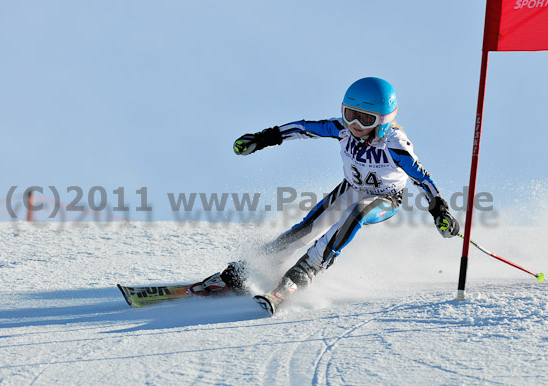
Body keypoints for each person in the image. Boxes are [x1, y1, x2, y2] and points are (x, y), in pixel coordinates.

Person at [190, 77, 460, 315]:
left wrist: (441, 212)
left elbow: (423, 180)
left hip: (385, 198)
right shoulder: (342, 129)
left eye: (366, 119)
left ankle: (305, 271)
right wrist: (262, 139)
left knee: (356, 214)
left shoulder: (396, 146)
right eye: (350, 114)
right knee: (305, 229)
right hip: (350, 188)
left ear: (384, 121)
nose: (355, 124)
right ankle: (243, 271)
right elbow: (303, 128)